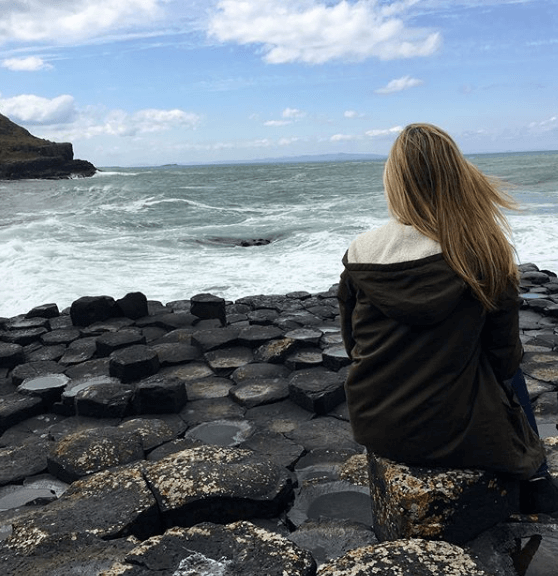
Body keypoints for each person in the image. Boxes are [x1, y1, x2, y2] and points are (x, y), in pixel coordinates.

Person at [338, 123, 558, 514]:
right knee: (513, 373)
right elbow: (504, 358)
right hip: (457, 431)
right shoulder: (484, 250)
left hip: (376, 423)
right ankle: (538, 480)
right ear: (458, 176)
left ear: (396, 182)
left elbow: (353, 345)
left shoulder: (360, 253)